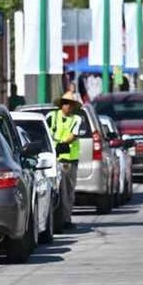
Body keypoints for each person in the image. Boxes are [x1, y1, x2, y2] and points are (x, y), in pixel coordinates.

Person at [46, 92, 83, 230]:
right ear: (61, 105)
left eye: (70, 104)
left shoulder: (76, 119)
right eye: (65, 103)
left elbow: (73, 135)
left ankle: (66, 219)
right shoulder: (51, 117)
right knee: (54, 191)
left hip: (68, 160)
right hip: (51, 159)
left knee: (67, 192)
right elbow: (45, 132)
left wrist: (61, 143)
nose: (68, 106)